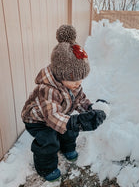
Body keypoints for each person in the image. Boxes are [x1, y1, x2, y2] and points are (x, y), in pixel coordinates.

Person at [21, 25, 106, 182]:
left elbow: (79, 99)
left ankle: (67, 147)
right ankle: (45, 167)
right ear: (60, 74)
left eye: (81, 79)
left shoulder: (72, 85)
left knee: (69, 129)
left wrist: (90, 108)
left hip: (59, 114)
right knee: (49, 139)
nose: (78, 83)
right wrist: (77, 121)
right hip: (38, 121)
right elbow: (52, 118)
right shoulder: (47, 89)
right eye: (74, 79)